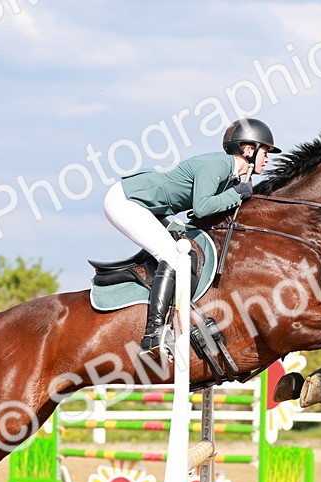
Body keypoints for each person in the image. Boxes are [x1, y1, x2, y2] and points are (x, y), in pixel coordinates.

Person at [102, 117, 280, 356]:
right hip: (126, 201)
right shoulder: (218, 165)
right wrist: (237, 193)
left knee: (187, 250)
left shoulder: (230, 176)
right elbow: (203, 208)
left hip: (151, 209)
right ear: (248, 149)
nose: (267, 159)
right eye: (265, 152)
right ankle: (153, 334)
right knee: (174, 258)